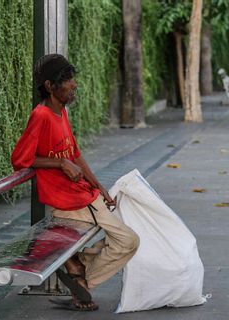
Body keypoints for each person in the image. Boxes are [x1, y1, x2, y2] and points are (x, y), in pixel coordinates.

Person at [11, 54, 139, 311]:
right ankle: (80, 277)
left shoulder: (61, 113)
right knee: (128, 241)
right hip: (71, 203)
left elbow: (75, 154)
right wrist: (58, 164)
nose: (74, 84)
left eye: (72, 79)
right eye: (67, 80)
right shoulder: (42, 115)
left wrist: (100, 186)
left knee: (125, 241)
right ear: (50, 86)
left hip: (86, 197)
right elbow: (20, 159)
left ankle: (79, 270)